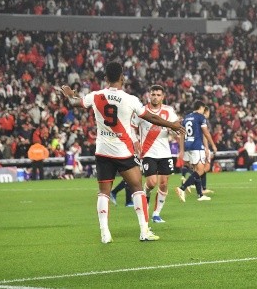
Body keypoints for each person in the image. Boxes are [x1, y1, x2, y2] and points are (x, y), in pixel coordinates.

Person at [60, 61, 183, 243]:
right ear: (122, 78)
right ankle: (144, 231)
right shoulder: (130, 99)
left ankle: (105, 233)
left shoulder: (96, 96)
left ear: (105, 78)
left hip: (102, 151)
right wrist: (172, 124)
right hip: (123, 151)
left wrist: (70, 94)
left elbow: (74, 102)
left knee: (103, 192)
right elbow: (150, 116)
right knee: (138, 189)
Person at [137, 84, 181, 222]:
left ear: (163, 97)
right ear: (149, 95)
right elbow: (132, 128)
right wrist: (135, 143)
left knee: (163, 183)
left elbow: (175, 128)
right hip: (148, 152)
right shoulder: (142, 111)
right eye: (153, 94)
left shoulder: (168, 111)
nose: (155, 97)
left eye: (158, 95)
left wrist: (174, 131)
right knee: (151, 182)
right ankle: (146, 195)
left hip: (165, 152)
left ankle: (156, 213)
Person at [175, 100, 217, 202]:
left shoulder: (186, 117)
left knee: (195, 170)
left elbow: (181, 134)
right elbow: (206, 133)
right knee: (201, 170)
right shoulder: (200, 117)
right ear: (201, 108)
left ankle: (200, 195)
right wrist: (213, 145)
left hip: (187, 145)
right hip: (197, 145)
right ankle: (182, 188)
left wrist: (181, 149)